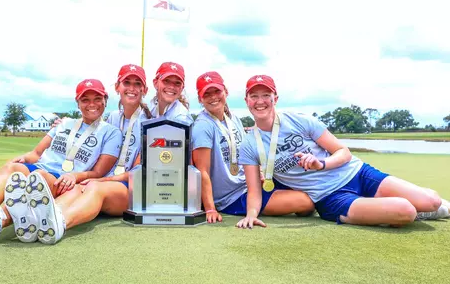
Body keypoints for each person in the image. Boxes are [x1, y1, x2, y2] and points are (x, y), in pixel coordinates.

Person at [237, 74, 449, 228]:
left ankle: (400, 207)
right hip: (329, 197)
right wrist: (251, 214)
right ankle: (372, 212)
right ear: (246, 101)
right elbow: (255, 191)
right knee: (406, 210)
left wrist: (321, 164)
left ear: (276, 98)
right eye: (253, 96)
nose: (260, 101)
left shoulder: (300, 120)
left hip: (357, 174)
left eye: (266, 95)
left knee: (432, 201)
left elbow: (343, 151)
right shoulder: (249, 144)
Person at [0, 78, 122, 246]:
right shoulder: (65, 123)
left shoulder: (111, 132)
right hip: (40, 166)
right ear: (77, 103)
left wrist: (74, 176)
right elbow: (36, 153)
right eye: (85, 100)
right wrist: (23, 158)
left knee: (38, 178)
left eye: (97, 98)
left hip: (61, 177)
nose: (91, 104)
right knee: (13, 167)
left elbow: (98, 172)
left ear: (105, 100)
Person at [30, 64, 153, 244]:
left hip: (130, 188)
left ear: (145, 90)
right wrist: (64, 124)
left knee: (93, 187)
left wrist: (100, 180)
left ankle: (60, 223)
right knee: (75, 188)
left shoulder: (151, 125)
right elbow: (88, 127)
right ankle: (39, 221)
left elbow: (137, 171)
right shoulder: (112, 118)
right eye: (127, 82)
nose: (132, 88)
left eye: (137, 84)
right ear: (118, 87)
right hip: (105, 182)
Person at [191, 71, 314, 225]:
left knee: (308, 190)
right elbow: (202, 171)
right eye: (206, 94)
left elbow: (246, 155)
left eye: (217, 91)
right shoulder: (203, 125)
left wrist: (260, 174)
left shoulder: (233, 119)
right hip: (232, 197)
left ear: (226, 92)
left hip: (249, 184)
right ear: (200, 99)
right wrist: (210, 208)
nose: (213, 96)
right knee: (306, 202)